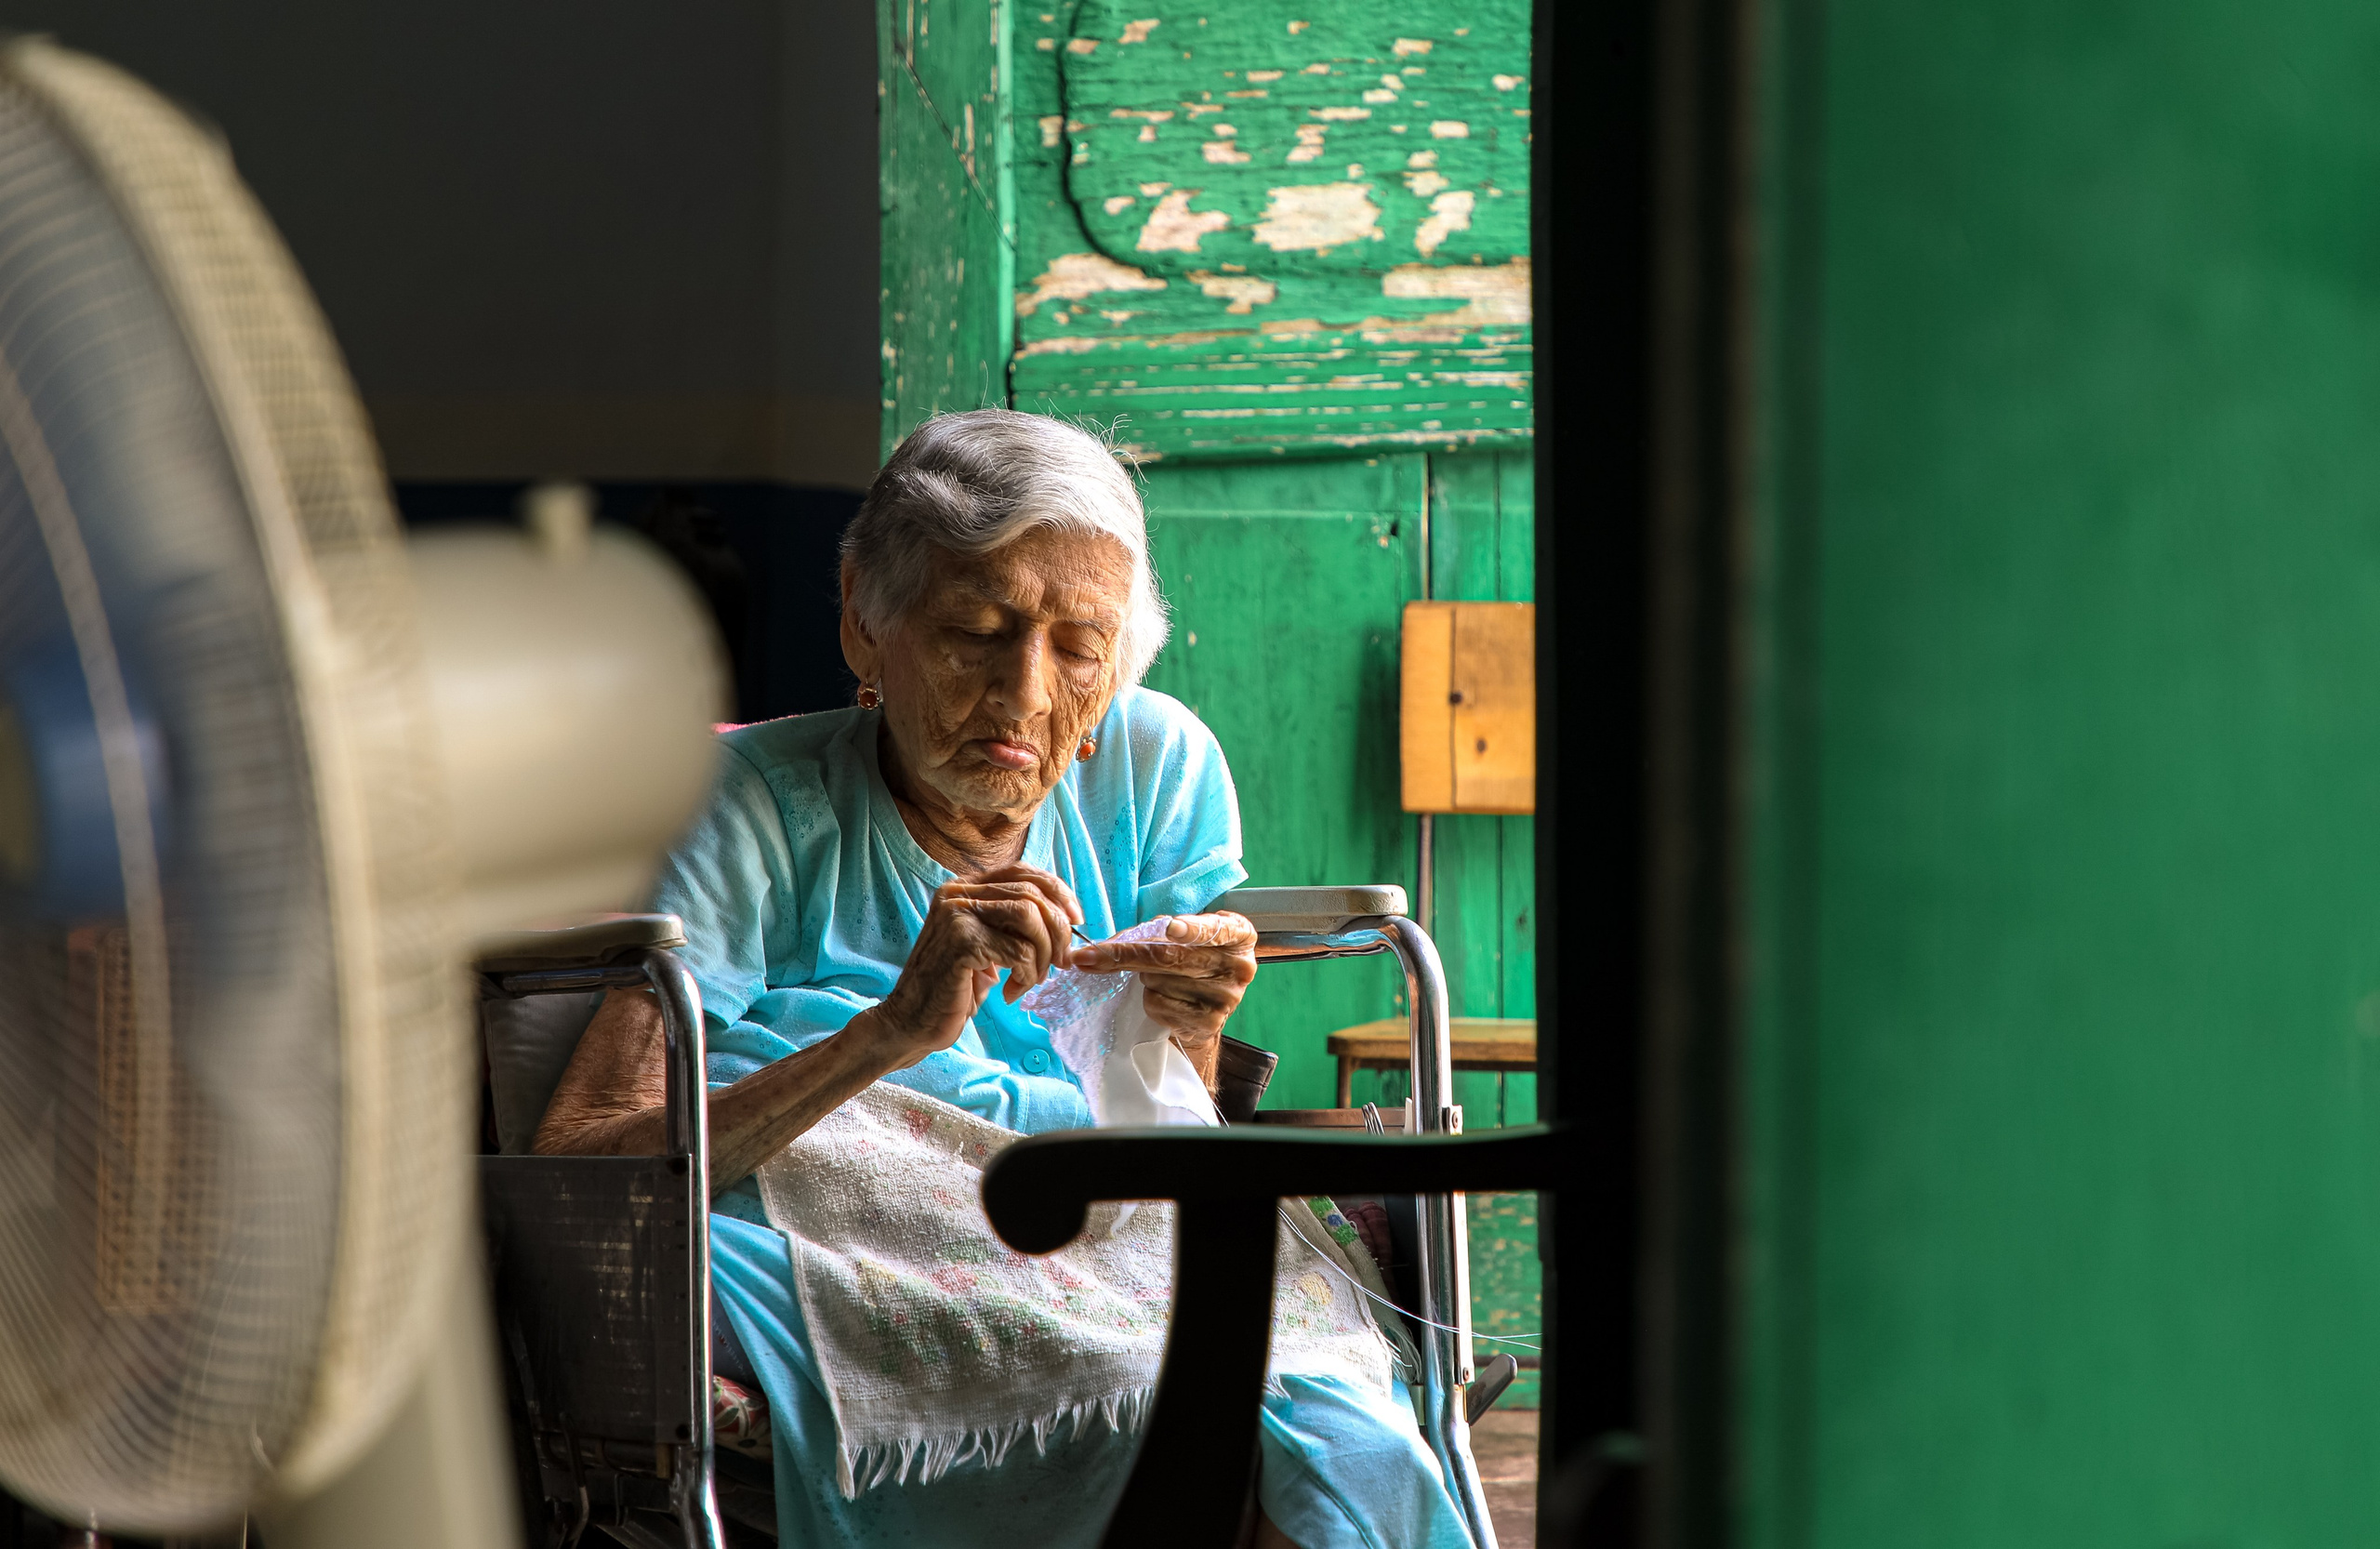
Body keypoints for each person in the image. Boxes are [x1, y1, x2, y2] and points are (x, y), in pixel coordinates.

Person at [535, 408, 1470, 1547]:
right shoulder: (741, 802)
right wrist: (889, 1031)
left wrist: (1188, 1017)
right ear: (863, 630)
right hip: (846, 1233)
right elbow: (582, 1164)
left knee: (1332, 1425)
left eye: (1080, 648)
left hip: (1099, 1218)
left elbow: (1177, 1113)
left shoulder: (1154, 762)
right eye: (975, 629)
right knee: (1152, 1381)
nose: (1024, 691)